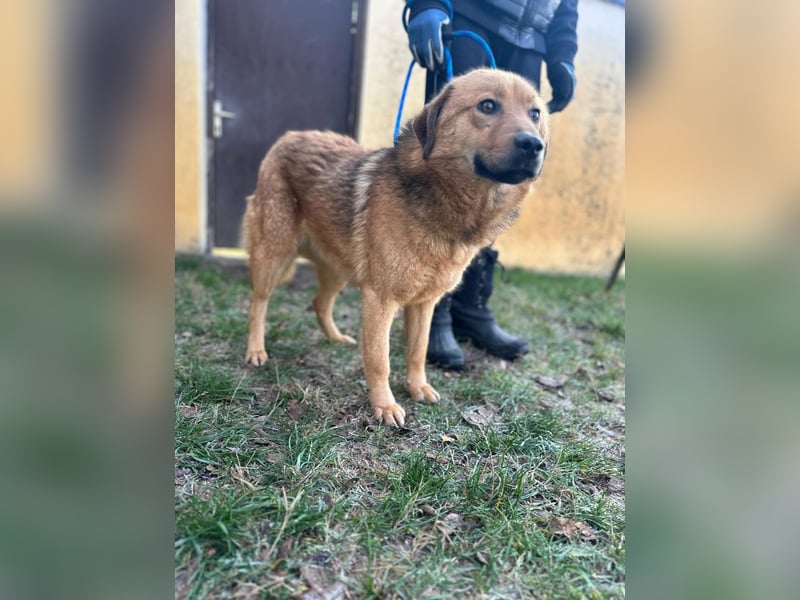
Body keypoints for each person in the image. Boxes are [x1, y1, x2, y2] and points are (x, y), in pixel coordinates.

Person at [405, 0, 579, 369]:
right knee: (450, 164)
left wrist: (563, 54)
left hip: (530, 41)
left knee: (502, 174)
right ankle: (432, 306)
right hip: (468, 18)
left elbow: (568, 5)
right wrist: (427, 5)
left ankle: (470, 305)